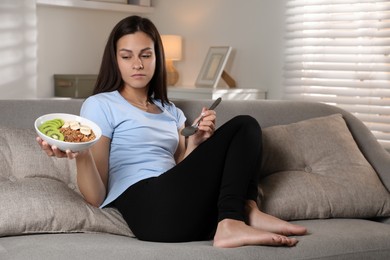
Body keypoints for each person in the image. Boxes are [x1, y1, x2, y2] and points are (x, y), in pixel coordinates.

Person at [37, 15, 306, 248]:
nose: (138, 64)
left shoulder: (170, 111)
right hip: (149, 208)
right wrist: (80, 154)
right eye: (126, 56)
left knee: (247, 127)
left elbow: (181, 170)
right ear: (115, 60)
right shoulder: (100, 104)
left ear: (157, 57)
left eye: (146, 54)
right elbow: (96, 197)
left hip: (184, 212)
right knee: (243, 124)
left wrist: (195, 143)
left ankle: (242, 211)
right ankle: (237, 216)